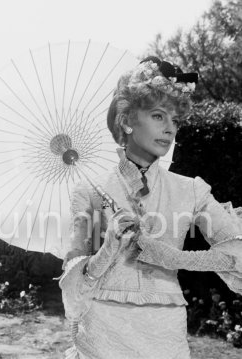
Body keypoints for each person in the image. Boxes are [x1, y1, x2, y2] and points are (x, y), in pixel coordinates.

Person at [59, 57, 242, 358]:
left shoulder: (191, 189)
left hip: (165, 338)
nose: (170, 129)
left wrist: (174, 257)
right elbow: (72, 295)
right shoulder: (90, 190)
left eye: (176, 121)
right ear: (127, 119)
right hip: (102, 339)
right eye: (159, 116)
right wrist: (108, 250)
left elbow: (236, 257)